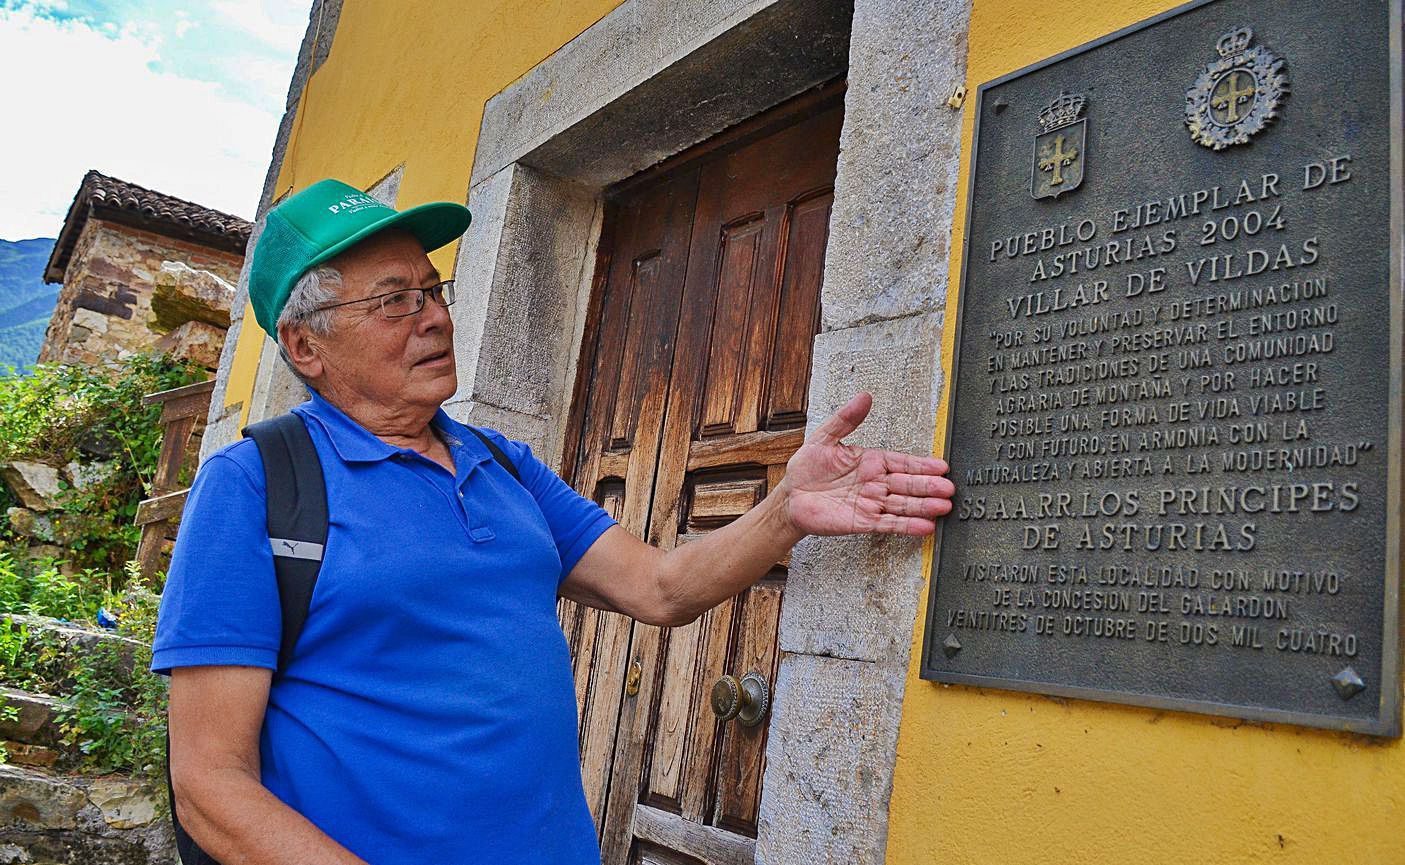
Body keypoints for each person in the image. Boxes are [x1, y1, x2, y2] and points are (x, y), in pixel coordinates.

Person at [153, 178, 955, 865]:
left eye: (433, 291)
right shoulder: (256, 483)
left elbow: (659, 585)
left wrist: (785, 510)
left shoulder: (500, 464)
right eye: (393, 301)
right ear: (305, 346)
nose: (434, 317)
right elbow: (209, 783)